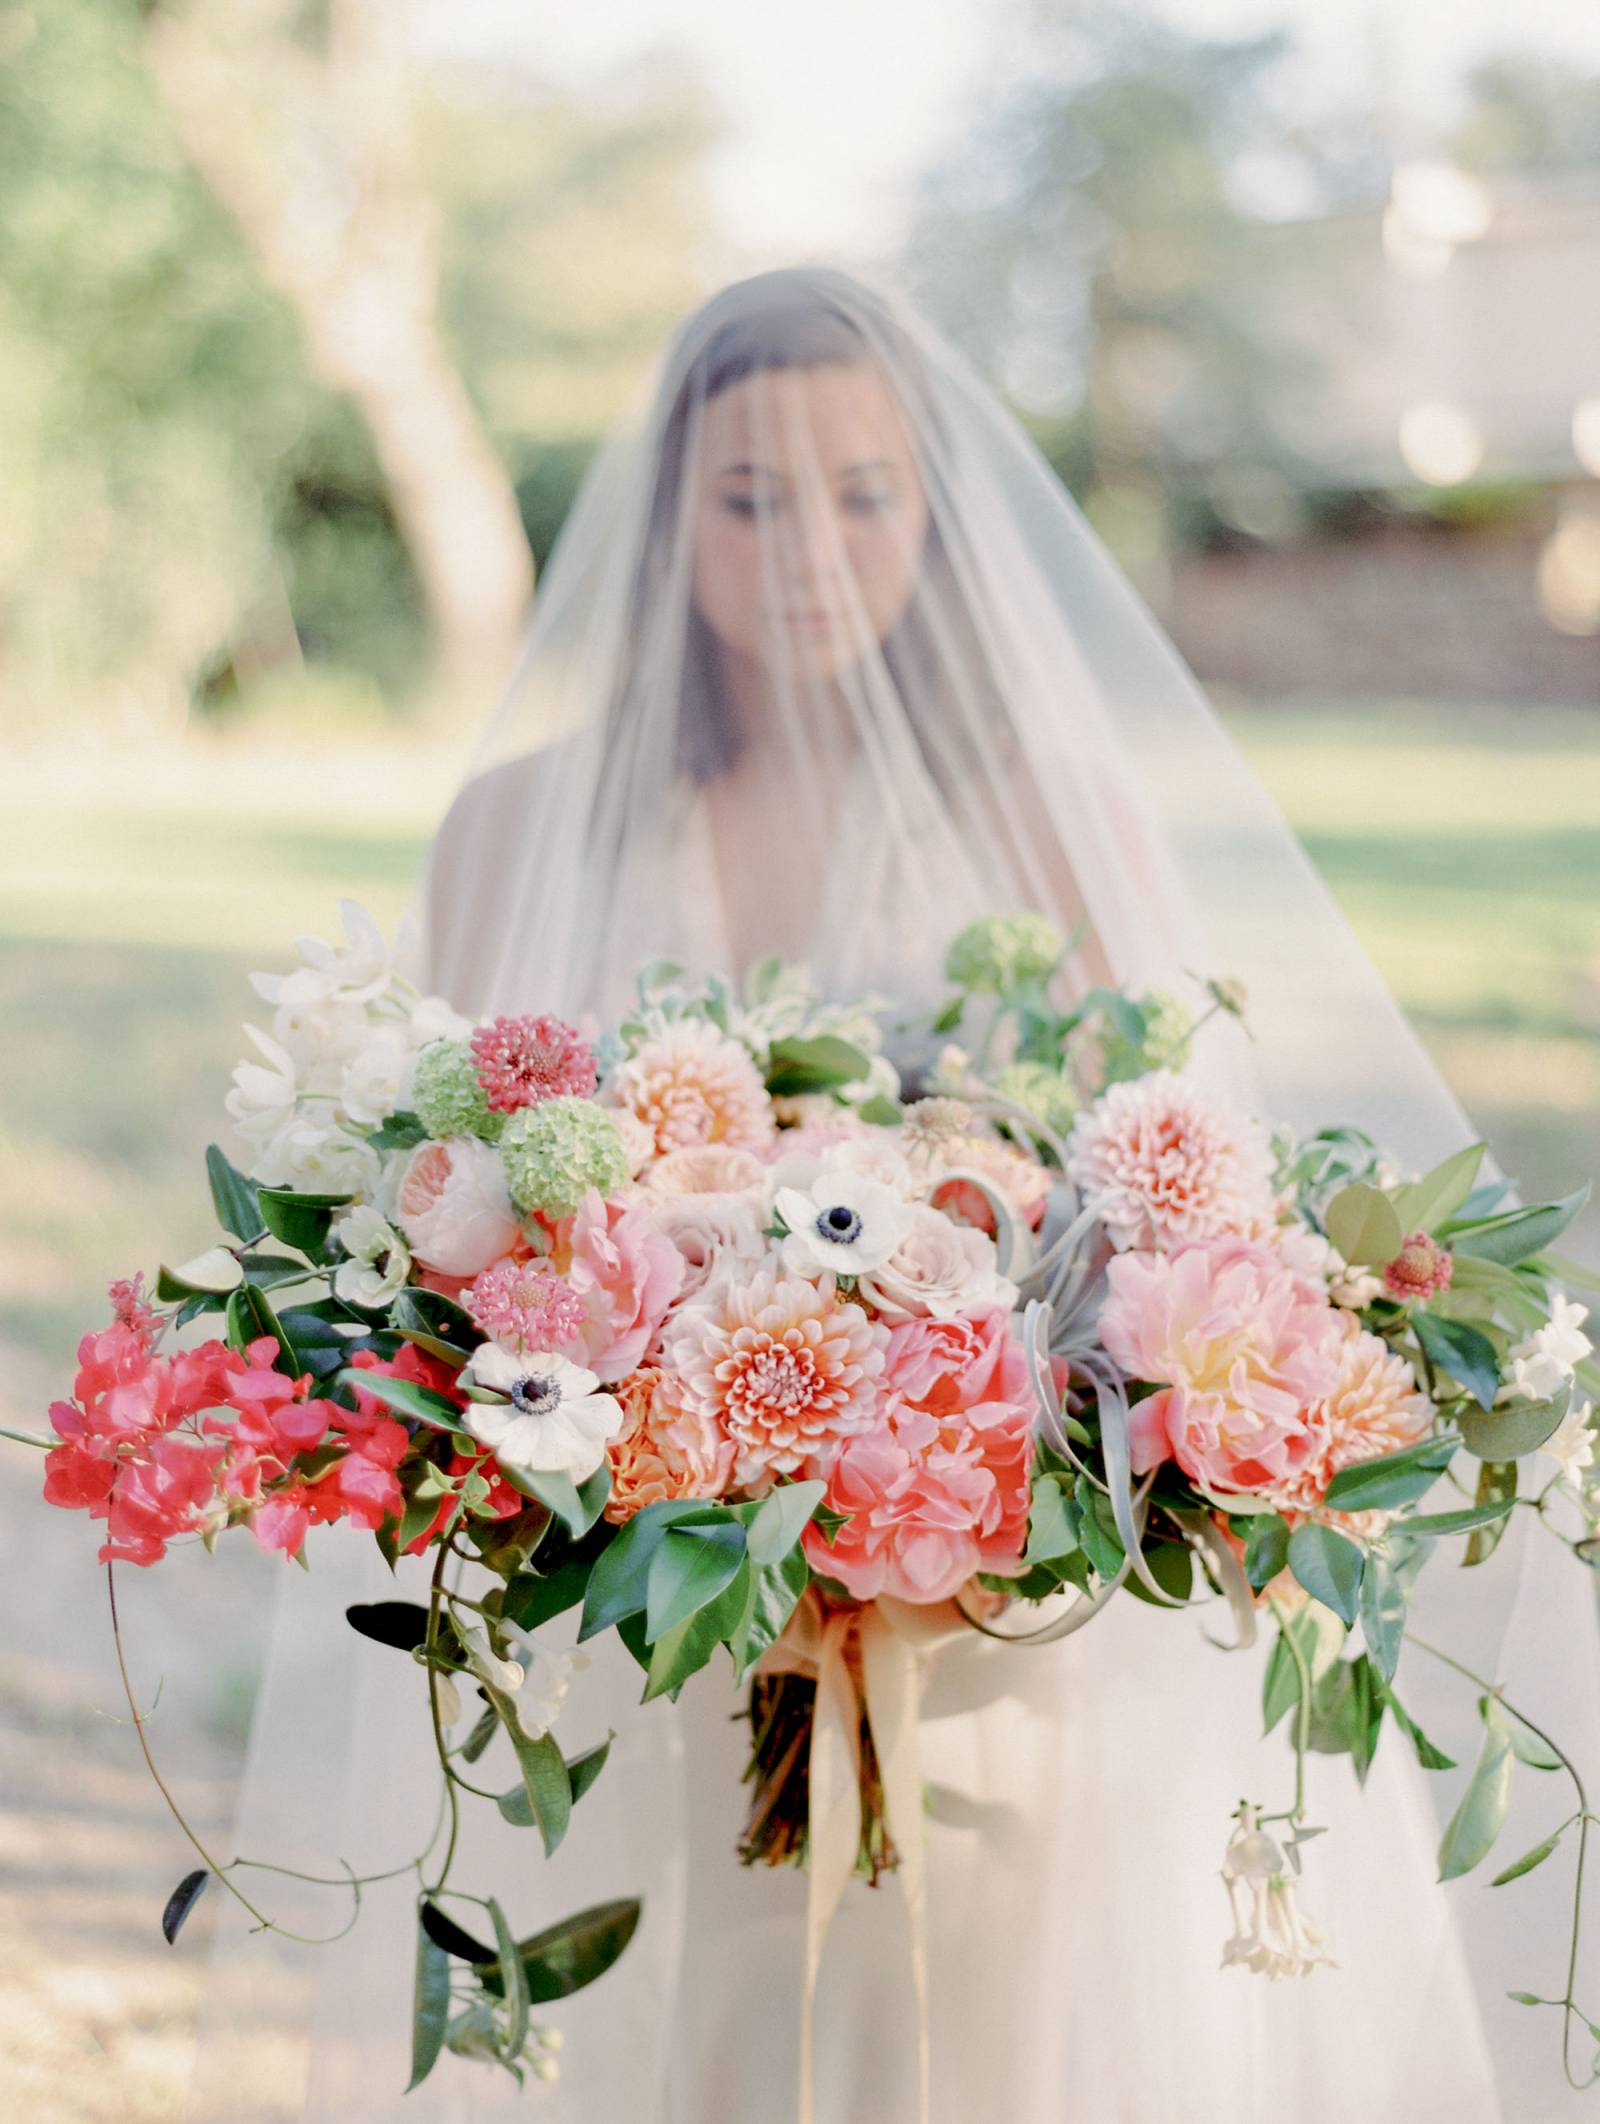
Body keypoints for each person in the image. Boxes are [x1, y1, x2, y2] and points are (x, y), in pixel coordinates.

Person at [193, 268, 1600, 2122]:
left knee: (986, 2038)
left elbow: (1158, 1210)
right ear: (665, 519)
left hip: (991, 1583)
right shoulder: (520, 828)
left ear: (934, 511)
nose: (805, 549)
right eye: (749, 496)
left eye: (861, 491)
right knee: (687, 2020)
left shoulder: (1051, 814)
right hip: (662, 1572)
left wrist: (942, 1475)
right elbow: (464, 1217)